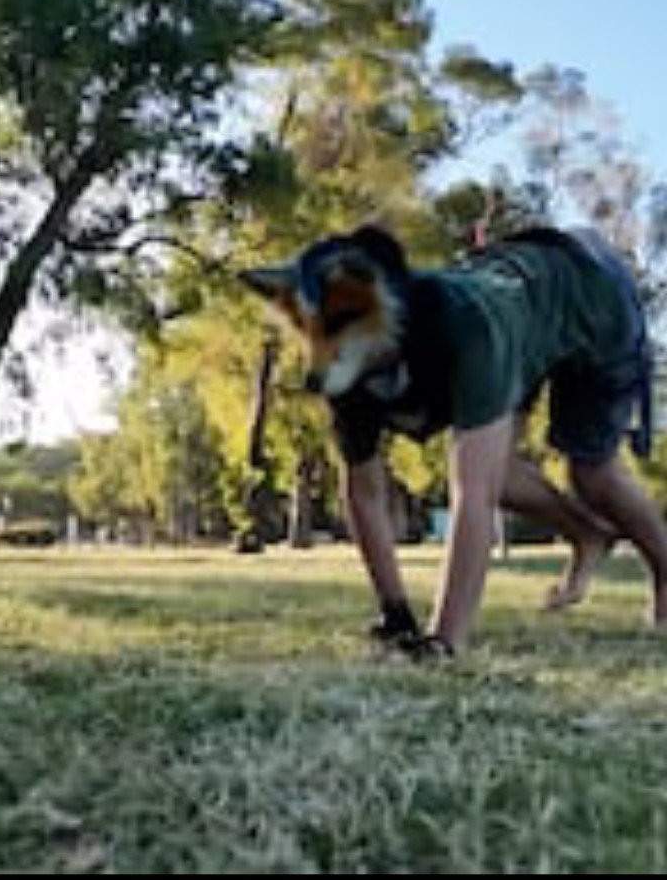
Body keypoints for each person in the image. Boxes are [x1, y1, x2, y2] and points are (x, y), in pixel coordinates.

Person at [243, 225, 667, 659]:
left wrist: (444, 641)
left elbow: (473, 497)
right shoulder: (346, 374)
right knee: (495, 471)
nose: (320, 356)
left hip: (591, 296)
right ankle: (586, 535)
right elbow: (364, 492)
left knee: (591, 475)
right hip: (524, 306)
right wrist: (396, 615)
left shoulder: (469, 331)